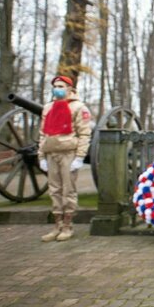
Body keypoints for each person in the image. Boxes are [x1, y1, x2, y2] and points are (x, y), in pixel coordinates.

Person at [38, 75, 92, 242]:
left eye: (60, 85)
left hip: (68, 152)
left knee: (68, 190)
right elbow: (42, 133)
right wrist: (41, 156)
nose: (57, 88)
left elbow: (84, 133)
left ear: (70, 89)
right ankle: (57, 226)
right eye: (55, 86)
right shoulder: (48, 108)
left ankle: (68, 226)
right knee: (54, 190)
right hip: (51, 152)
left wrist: (80, 156)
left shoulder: (79, 107)